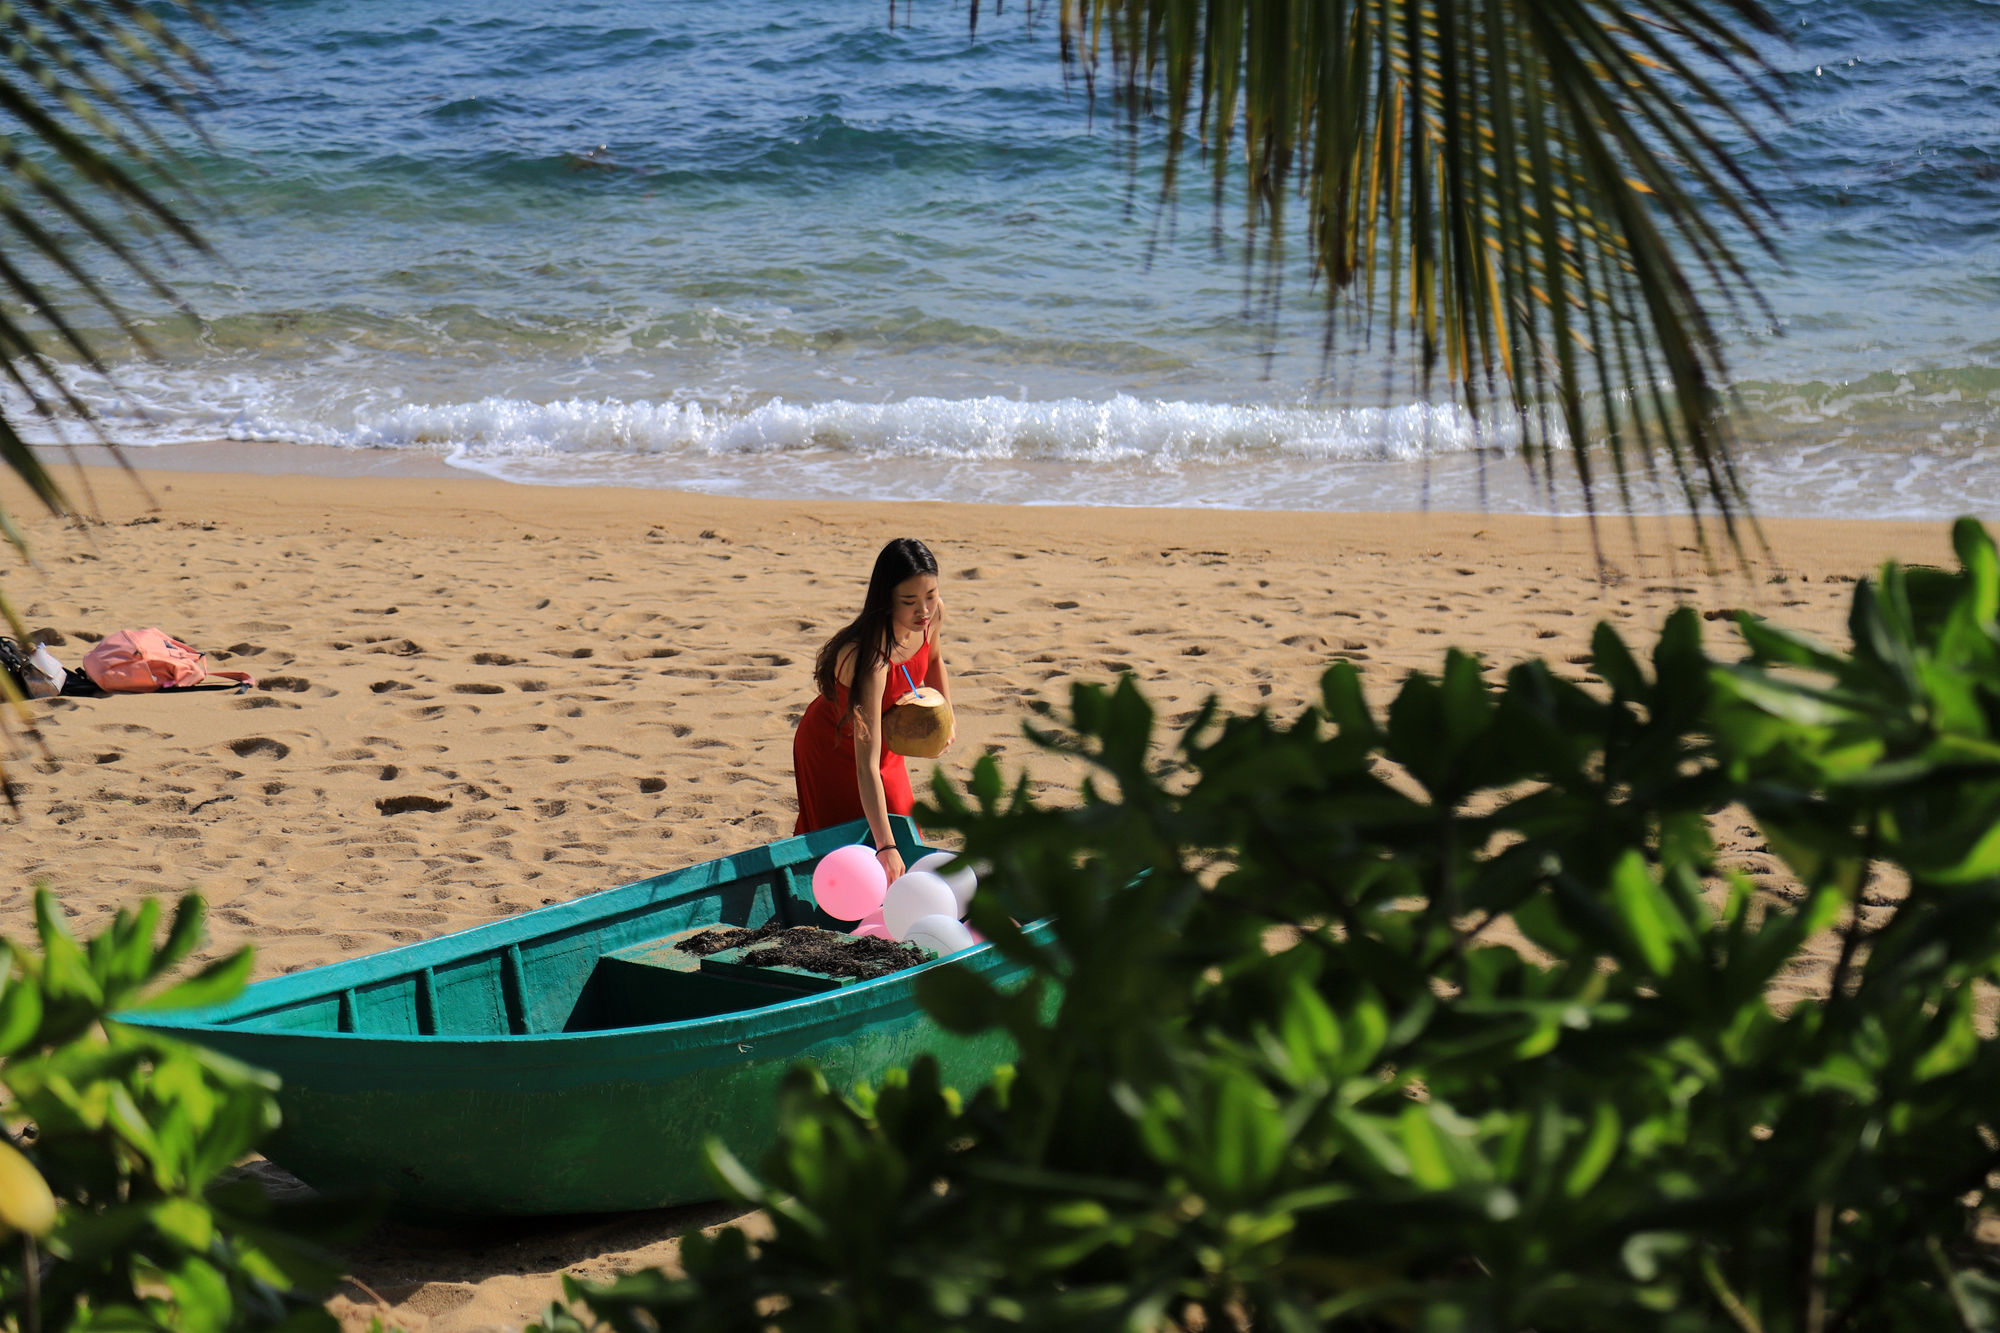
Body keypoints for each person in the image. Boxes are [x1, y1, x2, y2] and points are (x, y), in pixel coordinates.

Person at [792, 537, 953, 883]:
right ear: (886, 601)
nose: (923, 610)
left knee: (904, 829)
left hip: (885, 742)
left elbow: (935, 658)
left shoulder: (932, 616)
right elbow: (866, 767)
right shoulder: (871, 660)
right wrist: (884, 847)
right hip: (834, 744)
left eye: (930, 595)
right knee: (844, 849)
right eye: (909, 601)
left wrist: (947, 718)